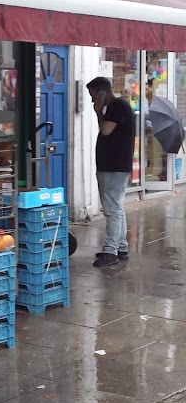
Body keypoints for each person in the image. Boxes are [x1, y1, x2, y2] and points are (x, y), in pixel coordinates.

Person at [87, 76, 134, 268]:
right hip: (115, 166)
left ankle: (110, 251)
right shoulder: (118, 107)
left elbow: (106, 130)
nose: (92, 100)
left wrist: (99, 112)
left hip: (113, 167)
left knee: (112, 210)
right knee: (117, 208)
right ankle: (121, 247)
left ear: (102, 92)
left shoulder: (117, 107)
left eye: (93, 96)